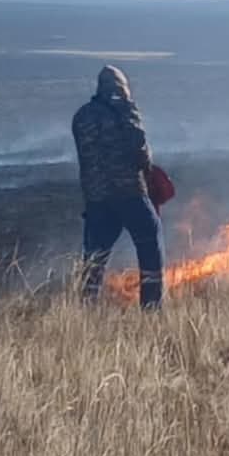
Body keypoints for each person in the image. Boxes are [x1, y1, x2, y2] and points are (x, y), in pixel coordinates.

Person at [72, 65, 164, 310]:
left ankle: (85, 309)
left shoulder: (81, 116)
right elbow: (139, 149)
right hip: (130, 194)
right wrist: (149, 170)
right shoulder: (125, 112)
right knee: (149, 241)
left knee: (94, 257)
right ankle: (151, 307)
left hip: (96, 198)